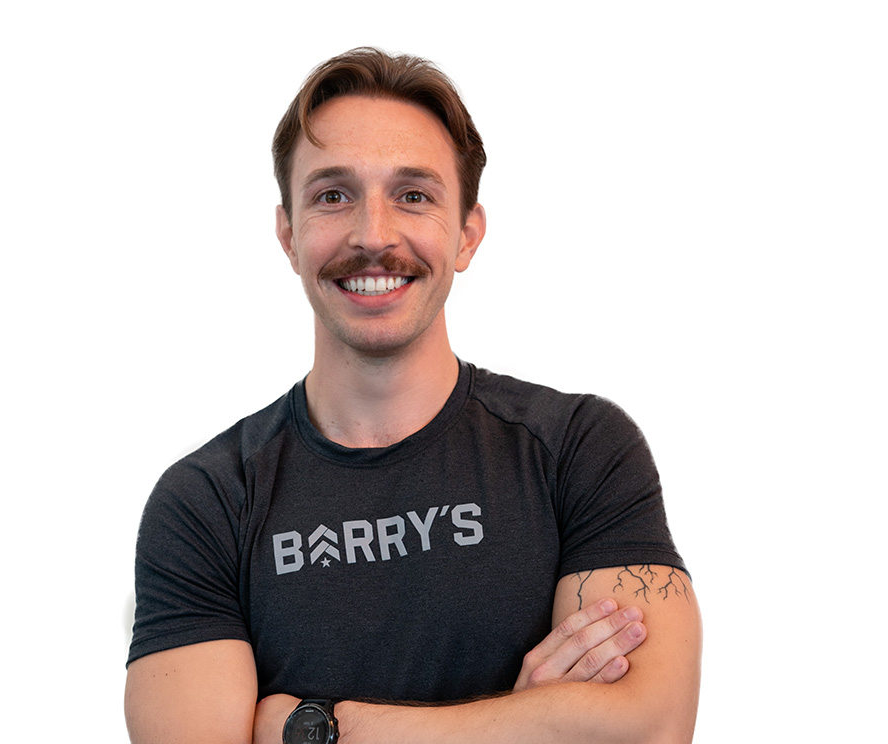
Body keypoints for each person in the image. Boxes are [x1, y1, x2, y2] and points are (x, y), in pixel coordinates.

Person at [125, 47, 702, 743]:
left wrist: (316, 727)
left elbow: (652, 728)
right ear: (288, 235)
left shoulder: (579, 448)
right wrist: (529, 725)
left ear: (467, 235)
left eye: (414, 195)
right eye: (333, 195)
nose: (373, 235)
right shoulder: (205, 503)